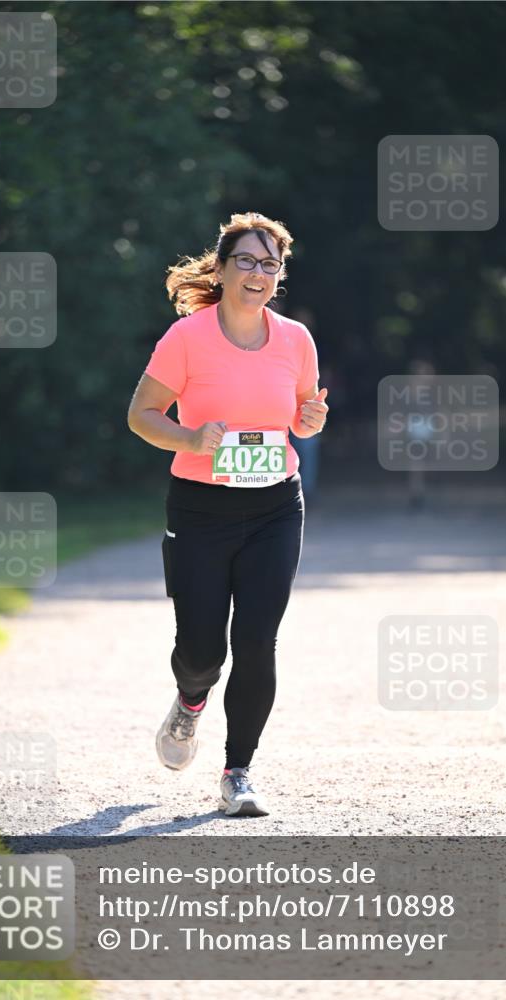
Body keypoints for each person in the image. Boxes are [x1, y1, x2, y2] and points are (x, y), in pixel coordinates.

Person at [127, 211, 328, 817]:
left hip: (274, 504)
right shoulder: (187, 338)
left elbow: (300, 414)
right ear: (221, 268)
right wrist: (190, 439)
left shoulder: (296, 339)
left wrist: (308, 423)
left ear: (279, 275)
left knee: (257, 640)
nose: (258, 273)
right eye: (246, 260)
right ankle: (190, 703)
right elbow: (142, 415)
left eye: (270, 264)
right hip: (200, 508)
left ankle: (237, 771)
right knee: (201, 650)